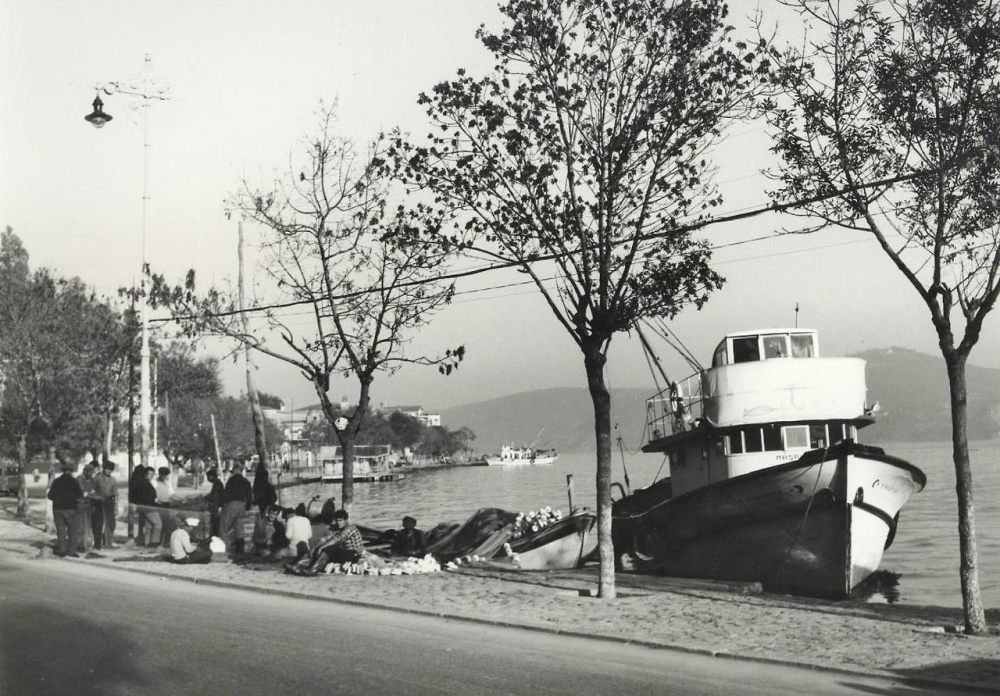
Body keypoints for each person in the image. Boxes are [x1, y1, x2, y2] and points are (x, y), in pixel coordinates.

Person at [287, 509, 364, 575]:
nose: (338, 522)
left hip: (354, 553)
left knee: (330, 547)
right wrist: (315, 547)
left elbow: (338, 539)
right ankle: (298, 565)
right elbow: (325, 539)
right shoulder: (336, 528)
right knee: (318, 549)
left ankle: (314, 570)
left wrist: (322, 547)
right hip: (343, 553)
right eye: (337, 520)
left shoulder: (351, 528)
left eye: (341, 520)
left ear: (346, 520)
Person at [47, 463, 83, 557]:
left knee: (61, 530)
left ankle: (62, 550)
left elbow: (49, 496)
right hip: (70, 509)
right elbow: (80, 495)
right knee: (72, 530)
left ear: (62, 471)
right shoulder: (74, 482)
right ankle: (72, 551)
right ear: (71, 471)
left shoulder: (56, 481)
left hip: (58, 509)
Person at [220, 464, 253, 554]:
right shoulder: (246, 481)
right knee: (239, 529)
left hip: (232, 504)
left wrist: (223, 505)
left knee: (224, 528)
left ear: (236, 470)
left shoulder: (231, 480)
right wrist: (247, 507)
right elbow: (250, 497)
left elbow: (225, 494)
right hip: (242, 505)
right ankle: (240, 550)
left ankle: (223, 549)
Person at [132, 466, 162, 547]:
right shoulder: (145, 483)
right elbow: (146, 497)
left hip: (144, 507)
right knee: (158, 523)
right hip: (149, 507)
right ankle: (154, 542)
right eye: (150, 473)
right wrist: (155, 501)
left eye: (153, 474)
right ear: (145, 474)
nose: (151, 475)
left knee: (148, 525)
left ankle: (147, 542)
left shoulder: (140, 482)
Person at [76, 463, 103, 552]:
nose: (92, 475)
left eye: (93, 472)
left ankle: (87, 544)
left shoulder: (91, 480)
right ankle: (80, 545)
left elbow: (92, 491)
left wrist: (92, 494)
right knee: (81, 526)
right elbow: (83, 493)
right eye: (90, 472)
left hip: (89, 506)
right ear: (85, 471)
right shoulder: (79, 479)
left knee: (88, 526)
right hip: (80, 505)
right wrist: (93, 495)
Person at [94, 460, 119, 548]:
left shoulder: (113, 480)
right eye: (107, 469)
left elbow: (115, 494)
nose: (108, 471)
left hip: (109, 502)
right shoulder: (97, 478)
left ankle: (108, 542)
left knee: (111, 523)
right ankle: (97, 543)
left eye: (110, 469)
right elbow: (93, 491)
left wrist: (116, 506)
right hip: (99, 503)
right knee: (98, 523)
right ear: (104, 469)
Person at [203, 468, 225, 537]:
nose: (207, 479)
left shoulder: (217, 484)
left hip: (216, 509)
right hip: (217, 508)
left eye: (208, 477)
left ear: (211, 476)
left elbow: (215, 497)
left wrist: (205, 497)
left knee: (215, 526)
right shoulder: (217, 483)